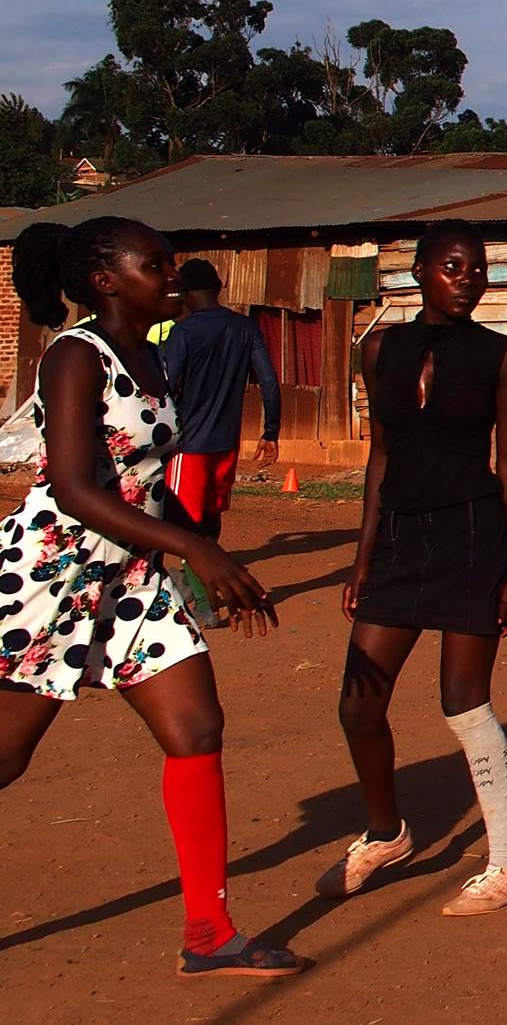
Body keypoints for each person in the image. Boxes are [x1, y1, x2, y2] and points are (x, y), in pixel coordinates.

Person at [0, 218, 304, 979]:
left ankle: (209, 932)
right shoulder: (76, 355)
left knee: (197, 727)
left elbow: (149, 482)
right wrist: (196, 547)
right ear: (105, 278)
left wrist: (211, 555)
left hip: (133, 578)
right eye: (154, 261)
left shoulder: (157, 356)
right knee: (5, 756)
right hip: (55, 574)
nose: (171, 271)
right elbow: (71, 486)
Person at [318, 221, 507, 916]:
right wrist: (361, 558)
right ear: (418, 272)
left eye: (476, 266)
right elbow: (380, 455)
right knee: (359, 701)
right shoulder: (379, 348)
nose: (468, 276)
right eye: (452, 265)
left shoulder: (502, 355)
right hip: (400, 540)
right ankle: (387, 833)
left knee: (463, 700)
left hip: (473, 537)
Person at [158, 258, 281, 623]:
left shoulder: (183, 332)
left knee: (185, 527)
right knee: (209, 520)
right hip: (226, 443)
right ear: (220, 286)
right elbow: (269, 383)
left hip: (188, 445)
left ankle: (204, 602)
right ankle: (190, 582)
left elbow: (163, 386)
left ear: (183, 293)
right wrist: (270, 432)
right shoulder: (244, 328)